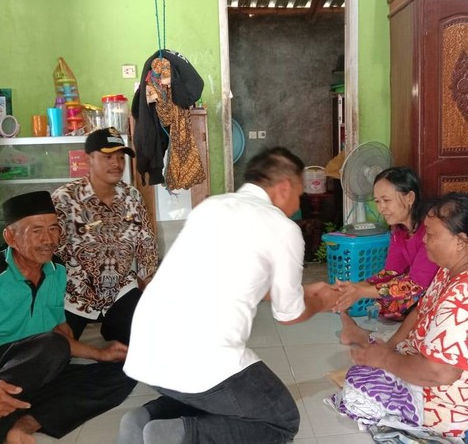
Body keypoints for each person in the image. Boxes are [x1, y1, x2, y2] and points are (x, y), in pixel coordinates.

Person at [118, 147, 340, 444]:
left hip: (148, 348)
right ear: (285, 187)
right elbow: (290, 314)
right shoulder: (282, 227)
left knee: (208, 396)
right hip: (202, 356)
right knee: (280, 419)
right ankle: (173, 435)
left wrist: (296, 293)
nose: (296, 204)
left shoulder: (212, 207)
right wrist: (324, 301)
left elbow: (229, 281)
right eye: (298, 194)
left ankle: (143, 420)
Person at [0, 191, 136, 444]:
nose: (48, 239)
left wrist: (101, 354)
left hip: (35, 370)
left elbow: (57, 335)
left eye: (53, 229)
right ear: (11, 237)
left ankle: (23, 424)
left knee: (125, 372)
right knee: (52, 346)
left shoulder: (56, 270)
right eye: (36, 231)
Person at [334, 192, 468, 439]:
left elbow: (440, 373)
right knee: (370, 360)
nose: (424, 240)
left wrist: (385, 360)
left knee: (356, 389)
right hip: (428, 363)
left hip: (454, 406)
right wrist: (390, 348)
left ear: (460, 241)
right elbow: (420, 310)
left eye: (432, 234)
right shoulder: (457, 268)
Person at [52, 127, 158, 345]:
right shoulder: (66, 198)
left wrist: (148, 281)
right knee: (56, 350)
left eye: (120, 157)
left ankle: (113, 328)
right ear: (89, 159)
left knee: (148, 336)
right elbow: (51, 251)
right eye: (108, 156)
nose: (117, 163)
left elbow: (145, 242)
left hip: (121, 290)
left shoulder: (131, 197)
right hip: (76, 295)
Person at [334, 166, 438, 320]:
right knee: (387, 302)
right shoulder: (398, 229)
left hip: (440, 286)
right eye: (377, 201)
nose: (381, 208)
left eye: (386, 200)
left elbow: (417, 284)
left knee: (395, 300)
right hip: (420, 284)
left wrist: (361, 291)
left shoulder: (430, 228)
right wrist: (357, 286)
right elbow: (391, 271)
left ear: (410, 198)